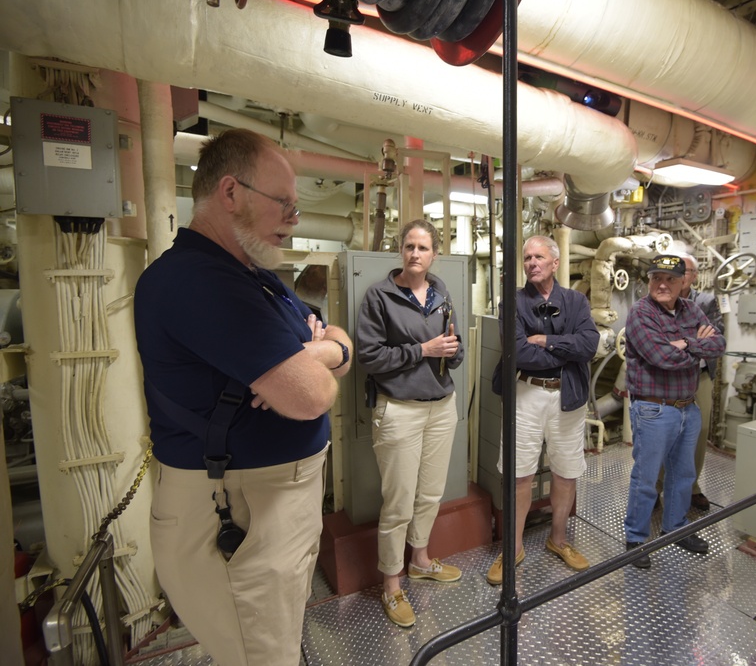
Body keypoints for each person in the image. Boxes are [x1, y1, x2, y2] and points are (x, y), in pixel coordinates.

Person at [134, 128, 353, 666]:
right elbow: (312, 395)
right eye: (284, 204)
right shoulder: (197, 280)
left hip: (272, 507)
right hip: (237, 511)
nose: (293, 220)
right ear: (229, 192)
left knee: (274, 641)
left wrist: (321, 350)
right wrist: (318, 356)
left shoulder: (256, 277)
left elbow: (340, 340)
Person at [355, 219, 465, 628]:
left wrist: (451, 352)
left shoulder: (440, 292)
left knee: (430, 493)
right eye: (409, 246)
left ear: (435, 253)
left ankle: (419, 559)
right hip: (399, 410)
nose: (415, 254)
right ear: (400, 251)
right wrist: (423, 349)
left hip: (441, 406)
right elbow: (370, 356)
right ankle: (391, 583)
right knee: (398, 501)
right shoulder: (379, 296)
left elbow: (452, 347)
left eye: (423, 247)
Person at [486, 235, 599, 585]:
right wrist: (566, 349)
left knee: (566, 472)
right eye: (527, 257)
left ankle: (559, 539)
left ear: (555, 262)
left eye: (539, 257)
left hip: (567, 397)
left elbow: (590, 344)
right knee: (519, 476)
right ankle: (513, 548)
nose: (532, 263)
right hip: (527, 394)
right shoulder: (514, 303)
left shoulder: (576, 301)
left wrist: (547, 340)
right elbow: (519, 354)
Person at [623, 254, 726, 568]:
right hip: (653, 409)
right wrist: (694, 343)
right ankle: (636, 539)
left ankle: (676, 527)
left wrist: (684, 344)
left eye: (670, 279)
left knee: (683, 475)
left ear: (684, 283)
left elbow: (718, 344)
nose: (662, 285)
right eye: (656, 278)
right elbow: (659, 357)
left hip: (687, 408)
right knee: (646, 477)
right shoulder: (641, 312)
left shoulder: (692, 309)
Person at [680, 254, 724, 511]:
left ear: (695, 275)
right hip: (669, 377)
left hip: (700, 377)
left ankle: (692, 487)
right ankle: (656, 488)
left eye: (685, 270)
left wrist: (686, 343)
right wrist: (695, 338)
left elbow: (716, 339)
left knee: (700, 432)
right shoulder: (659, 301)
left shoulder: (706, 302)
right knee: (665, 433)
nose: (680, 275)